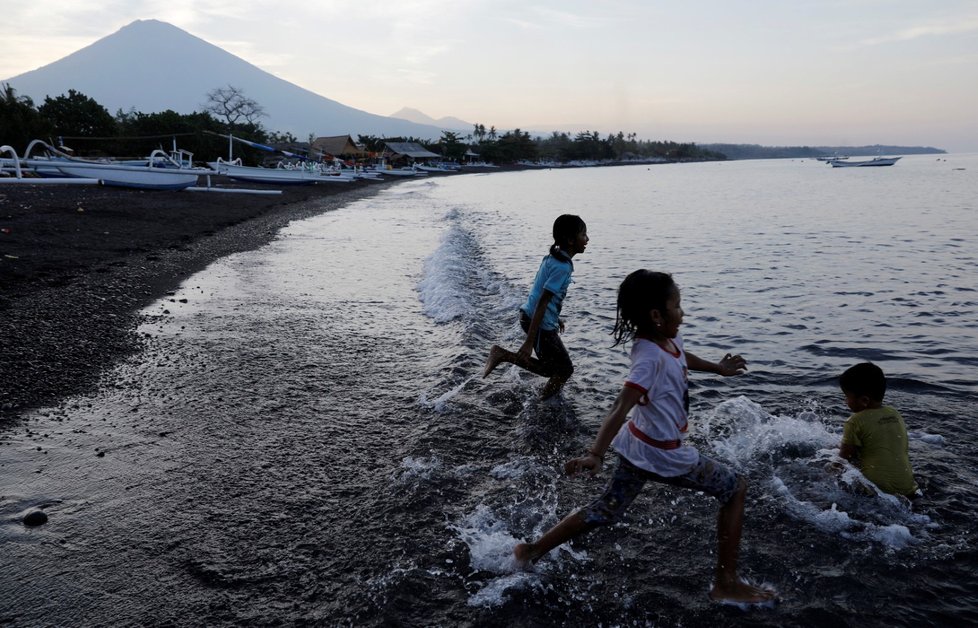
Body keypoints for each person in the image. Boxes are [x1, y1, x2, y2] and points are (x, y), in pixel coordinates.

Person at [513, 269, 775, 605]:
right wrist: (595, 454)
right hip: (663, 454)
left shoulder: (667, 339)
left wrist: (717, 368)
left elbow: (681, 358)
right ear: (656, 315)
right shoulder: (647, 358)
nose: (683, 312)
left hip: (637, 445)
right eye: (677, 306)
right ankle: (726, 583)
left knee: (605, 510)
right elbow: (620, 407)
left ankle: (532, 550)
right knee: (735, 488)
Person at [483, 214, 589, 399]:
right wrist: (529, 342)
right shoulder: (562, 267)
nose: (587, 239)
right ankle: (542, 402)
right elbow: (542, 301)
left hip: (535, 318)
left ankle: (543, 400)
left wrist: (556, 318)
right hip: (538, 323)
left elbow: (543, 295)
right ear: (571, 240)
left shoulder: (553, 259)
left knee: (554, 369)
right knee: (564, 370)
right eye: (584, 234)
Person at [838, 362, 918, 497]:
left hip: (876, 490)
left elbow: (844, 459)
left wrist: (828, 471)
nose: (845, 401)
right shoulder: (895, 414)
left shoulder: (854, 421)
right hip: (909, 487)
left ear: (864, 400)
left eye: (847, 397)